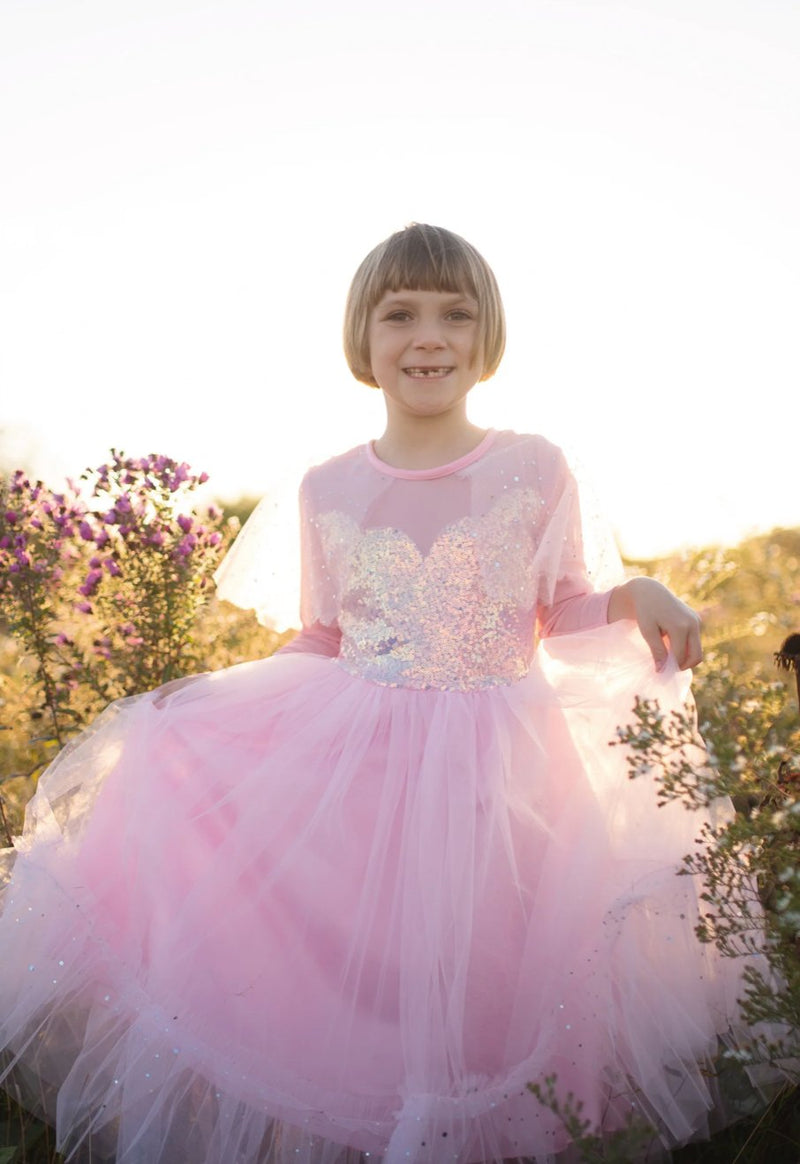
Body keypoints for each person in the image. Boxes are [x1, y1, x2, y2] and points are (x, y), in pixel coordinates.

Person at [0, 224, 768, 1164]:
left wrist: (636, 592)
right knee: (379, 986)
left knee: (493, 976)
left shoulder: (534, 465)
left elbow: (561, 606)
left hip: (503, 766)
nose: (428, 336)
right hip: (362, 769)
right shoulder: (328, 488)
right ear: (363, 338)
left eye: (455, 312)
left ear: (488, 337)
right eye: (399, 314)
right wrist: (199, 709)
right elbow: (324, 639)